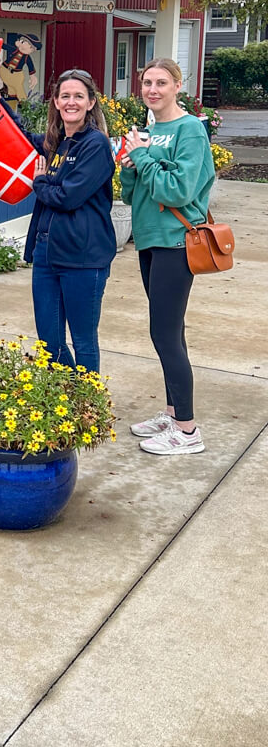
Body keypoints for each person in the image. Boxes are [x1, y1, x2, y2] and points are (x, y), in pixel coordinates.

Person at [122, 58, 214, 456]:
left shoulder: (190, 129)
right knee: (170, 333)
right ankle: (174, 412)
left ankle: (188, 432)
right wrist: (130, 164)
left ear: (178, 86)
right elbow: (132, 195)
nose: (152, 89)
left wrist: (142, 157)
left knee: (164, 333)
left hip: (176, 242)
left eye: (161, 82)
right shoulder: (150, 131)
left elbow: (177, 191)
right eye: (147, 83)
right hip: (149, 240)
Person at [0, 68, 116, 373]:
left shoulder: (95, 145)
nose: (71, 102)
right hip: (46, 253)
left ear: (91, 103)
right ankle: (66, 399)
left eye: (79, 96)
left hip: (83, 258)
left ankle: (87, 409)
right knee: (49, 341)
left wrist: (39, 184)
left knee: (83, 340)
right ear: (56, 101)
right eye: (65, 96)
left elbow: (68, 197)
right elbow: (20, 135)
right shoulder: (57, 142)